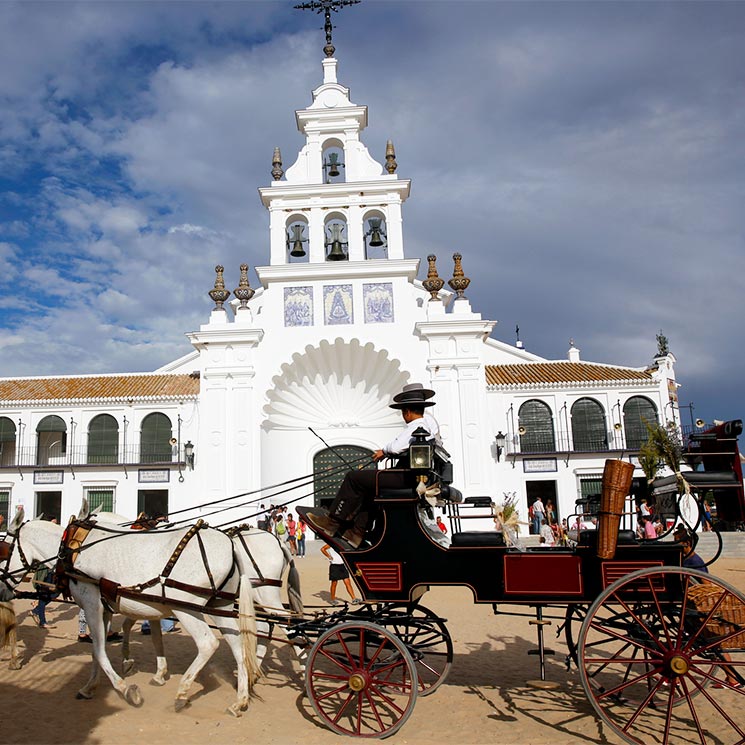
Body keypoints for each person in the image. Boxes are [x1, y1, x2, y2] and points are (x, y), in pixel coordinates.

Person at [306, 383, 440, 548]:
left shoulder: (417, 427)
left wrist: (384, 451)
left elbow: (397, 447)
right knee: (369, 490)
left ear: (407, 411)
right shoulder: (428, 427)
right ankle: (356, 532)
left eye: (402, 412)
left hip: (404, 477)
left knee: (353, 478)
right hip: (409, 476)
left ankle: (332, 521)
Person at [674, 526, 742, 690]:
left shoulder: (695, 562)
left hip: (699, 607)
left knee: (710, 644)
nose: (677, 548)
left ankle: (732, 678)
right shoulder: (685, 560)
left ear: (688, 543)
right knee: (706, 644)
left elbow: (707, 586)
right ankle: (731, 678)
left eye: (679, 545)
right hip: (691, 607)